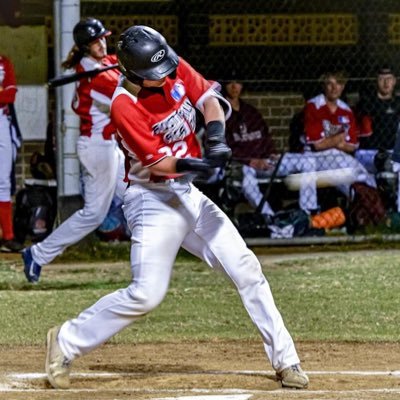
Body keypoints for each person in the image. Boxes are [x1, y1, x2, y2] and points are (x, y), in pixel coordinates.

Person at [44, 25, 309, 390]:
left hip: (187, 195)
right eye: (157, 74)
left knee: (246, 268)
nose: (167, 76)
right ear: (135, 73)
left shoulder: (166, 63)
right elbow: (159, 166)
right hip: (151, 200)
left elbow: (209, 101)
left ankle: (286, 360)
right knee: (146, 293)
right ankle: (65, 340)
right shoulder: (124, 105)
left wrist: (215, 138)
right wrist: (198, 164)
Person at [22, 17, 125, 283]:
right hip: (98, 148)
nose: (101, 44)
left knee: (139, 193)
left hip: (108, 145)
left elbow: (115, 65)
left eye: (102, 38)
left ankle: (154, 256)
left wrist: (124, 62)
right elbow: (127, 94)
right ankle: (38, 254)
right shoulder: (94, 78)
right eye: (94, 42)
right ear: (84, 47)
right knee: (94, 214)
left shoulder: (99, 65)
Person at [224, 77, 320, 216]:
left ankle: (307, 213)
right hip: (242, 166)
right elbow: (223, 148)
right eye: (230, 82)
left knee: (307, 161)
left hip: (265, 161)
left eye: (238, 82)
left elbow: (266, 137)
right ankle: (269, 217)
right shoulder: (220, 114)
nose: (234, 87)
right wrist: (249, 161)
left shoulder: (251, 112)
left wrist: (272, 154)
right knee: (247, 182)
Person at [303, 70, 376, 206]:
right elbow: (318, 146)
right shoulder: (313, 106)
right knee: (348, 182)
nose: (334, 88)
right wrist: (339, 139)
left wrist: (331, 140)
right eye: (330, 83)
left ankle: (372, 213)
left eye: (339, 84)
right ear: (324, 85)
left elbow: (352, 145)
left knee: (368, 179)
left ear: (343, 86)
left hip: (341, 156)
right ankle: (360, 211)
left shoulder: (346, 110)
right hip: (317, 158)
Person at [355, 66, 400, 174]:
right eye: (381, 79)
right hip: (369, 151)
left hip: (393, 151)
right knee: (387, 168)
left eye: (389, 79)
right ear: (376, 81)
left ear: (394, 81)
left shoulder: (398, 102)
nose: (386, 83)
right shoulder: (366, 102)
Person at [0, 54, 23, 253]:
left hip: (2, 121)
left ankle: (8, 236)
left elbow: (10, 95)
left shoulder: (3, 61)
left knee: (3, 182)